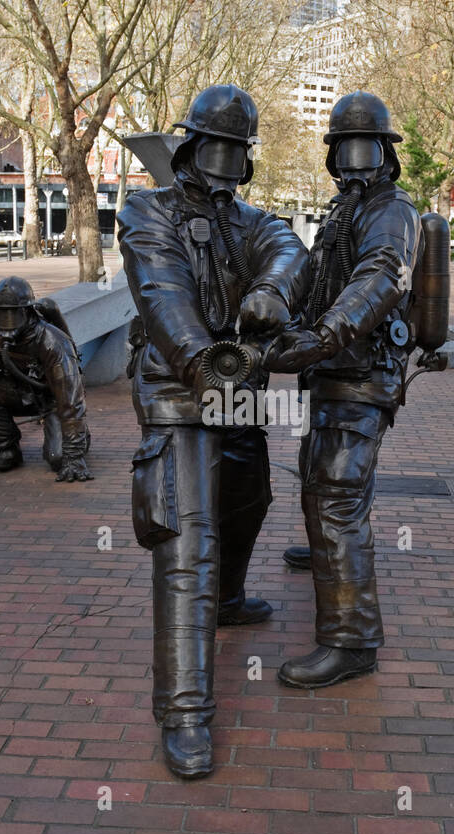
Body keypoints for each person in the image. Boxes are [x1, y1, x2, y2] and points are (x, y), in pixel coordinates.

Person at [117, 84, 310, 779]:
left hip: (237, 391)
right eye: (216, 147)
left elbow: (287, 244)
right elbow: (163, 293)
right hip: (180, 390)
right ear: (190, 146)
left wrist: (274, 289)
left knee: (250, 499)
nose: (225, 162)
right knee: (188, 543)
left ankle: (227, 602)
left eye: (237, 150)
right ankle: (185, 709)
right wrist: (206, 364)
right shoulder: (147, 210)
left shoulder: (251, 219)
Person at [263, 91, 421, 689]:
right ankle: (328, 551)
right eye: (344, 150)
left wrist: (324, 335)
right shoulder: (338, 212)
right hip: (332, 370)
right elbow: (312, 276)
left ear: (385, 153)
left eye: (365, 149)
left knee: (335, 492)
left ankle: (352, 640)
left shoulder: (392, 211)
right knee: (325, 481)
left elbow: (379, 275)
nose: (354, 163)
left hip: (361, 372)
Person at [0, 276, 93, 481]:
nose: (7, 321)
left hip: (52, 399)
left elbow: (71, 399)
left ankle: (80, 438)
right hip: (17, 393)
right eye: (2, 314)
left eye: (13, 313)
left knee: (59, 459)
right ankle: (7, 449)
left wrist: (73, 455)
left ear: (27, 311)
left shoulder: (52, 340)